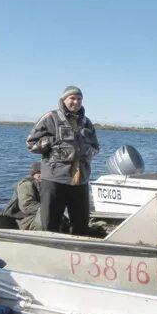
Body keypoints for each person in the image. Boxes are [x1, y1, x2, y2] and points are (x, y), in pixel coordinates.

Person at [26, 86, 99, 235]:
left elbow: (96, 147)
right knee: (50, 223)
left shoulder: (87, 122)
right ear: (64, 99)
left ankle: (77, 251)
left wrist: (85, 152)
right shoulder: (50, 117)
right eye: (72, 98)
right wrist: (53, 142)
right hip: (54, 179)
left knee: (81, 225)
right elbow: (31, 144)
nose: (76, 102)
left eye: (79, 99)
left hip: (80, 180)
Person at [3, 162, 43, 230]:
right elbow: (27, 206)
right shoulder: (26, 185)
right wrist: (49, 209)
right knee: (47, 220)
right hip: (26, 220)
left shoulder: (44, 186)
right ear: (38, 174)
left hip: (38, 215)